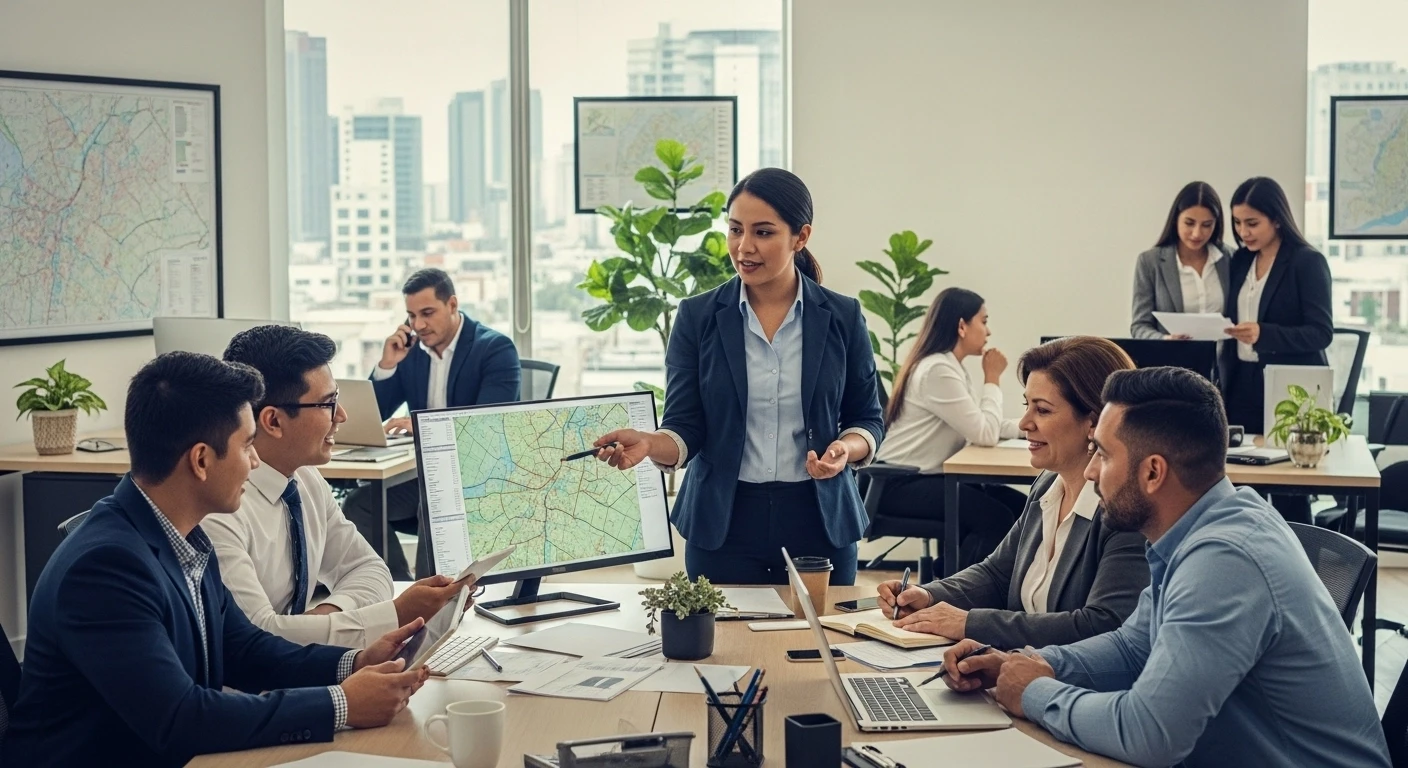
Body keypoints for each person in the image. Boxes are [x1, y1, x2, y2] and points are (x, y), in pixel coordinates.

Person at [941, 367, 1388, 768]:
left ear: (1153, 473)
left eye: (1104, 454)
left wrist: (1036, 692)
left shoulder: (1225, 561)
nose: (1092, 472)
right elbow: (1133, 647)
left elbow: (1151, 734)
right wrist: (1027, 663)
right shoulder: (1201, 529)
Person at [1, 353, 431, 767]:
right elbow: (180, 718)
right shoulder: (105, 568)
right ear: (202, 460)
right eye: (247, 446)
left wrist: (354, 663)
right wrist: (342, 705)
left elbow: (243, 648)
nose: (256, 460)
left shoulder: (183, 534)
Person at [591, 167, 883, 585]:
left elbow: (868, 418)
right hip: (723, 523)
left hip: (819, 522)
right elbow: (686, 424)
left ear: (800, 237)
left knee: (821, 648)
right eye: (735, 230)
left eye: (763, 232)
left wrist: (845, 449)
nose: (744, 247)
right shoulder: (697, 317)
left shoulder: (842, 316)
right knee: (725, 647)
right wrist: (652, 442)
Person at [207, 325, 472, 648]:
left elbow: (370, 570)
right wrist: (393, 615)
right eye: (327, 403)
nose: (341, 416)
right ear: (273, 421)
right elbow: (259, 637)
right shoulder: (219, 508)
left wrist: (324, 617)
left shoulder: (304, 479)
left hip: (305, 674)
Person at [877, 337, 1149, 648]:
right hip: (1014, 672)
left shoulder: (1126, 510)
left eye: (1042, 410)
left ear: (1093, 421)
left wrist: (969, 623)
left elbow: (1104, 624)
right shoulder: (1048, 485)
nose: (1024, 423)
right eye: (1026, 405)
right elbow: (997, 573)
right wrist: (929, 595)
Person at [344, 267, 522, 579]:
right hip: (425, 474)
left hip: (478, 475)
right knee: (359, 505)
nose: (418, 325)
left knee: (435, 501)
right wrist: (387, 365)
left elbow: (485, 426)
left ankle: (434, 598)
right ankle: (399, 591)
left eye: (427, 313)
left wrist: (424, 425)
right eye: (411, 316)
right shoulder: (412, 353)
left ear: (452, 305)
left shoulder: (495, 349)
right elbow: (377, 411)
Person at [872, 287, 1027, 569]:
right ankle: (956, 592)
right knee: (995, 519)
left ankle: (949, 578)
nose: (988, 331)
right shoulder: (937, 370)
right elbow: (984, 433)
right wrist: (992, 378)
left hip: (925, 479)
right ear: (961, 326)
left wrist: (1028, 428)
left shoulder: (948, 366)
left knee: (1021, 509)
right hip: (901, 483)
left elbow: (979, 423)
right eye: (984, 320)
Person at [1220, 176, 1333, 433]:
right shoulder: (1240, 260)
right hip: (1241, 382)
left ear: (1277, 220)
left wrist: (1264, 333)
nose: (1242, 232)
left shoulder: (1307, 262)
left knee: (1286, 467)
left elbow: (1321, 333)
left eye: (1252, 223)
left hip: (1290, 386)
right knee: (1239, 465)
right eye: (1237, 222)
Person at [1130, 181, 1233, 339]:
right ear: (1175, 219)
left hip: (1222, 362)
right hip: (1170, 359)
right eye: (1189, 223)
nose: (1197, 233)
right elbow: (1139, 326)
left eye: (1207, 225)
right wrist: (1165, 340)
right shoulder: (1150, 262)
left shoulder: (1230, 259)